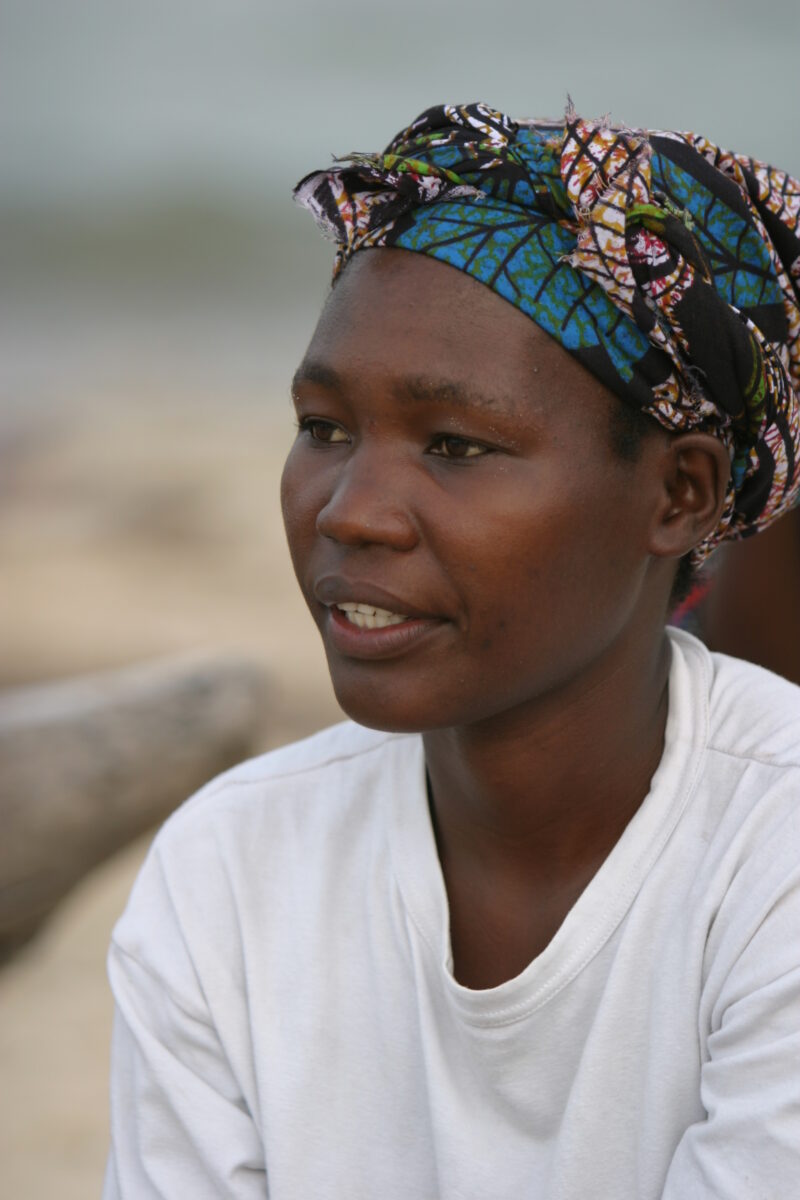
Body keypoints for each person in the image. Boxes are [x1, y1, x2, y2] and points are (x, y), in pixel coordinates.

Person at [103, 103, 800, 1198]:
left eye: (455, 445)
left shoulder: (773, 856)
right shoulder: (231, 869)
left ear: (678, 492)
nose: (351, 512)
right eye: (323, 427)